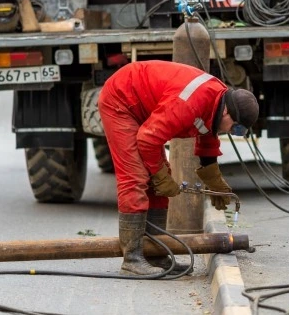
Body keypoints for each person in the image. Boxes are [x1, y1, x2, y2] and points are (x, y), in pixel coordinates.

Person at [98, 60, 259, 275]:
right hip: (121, 100)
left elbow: (208, 137)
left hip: (145, 107)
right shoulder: (190, 102)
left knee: (159, 180)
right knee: (136, 178)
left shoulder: (218, 101)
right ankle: (132, 259)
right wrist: (160, 176)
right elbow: (148, 139)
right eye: (236, 128)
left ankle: (157, 255)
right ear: (227, 114)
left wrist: (215, 182)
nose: (233, 132)